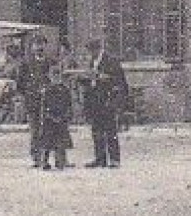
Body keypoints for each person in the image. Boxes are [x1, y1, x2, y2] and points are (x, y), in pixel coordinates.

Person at [80, 40, 129, 168]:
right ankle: (100, 158)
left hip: (107, 100)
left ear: (97, 50)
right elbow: (93, 82)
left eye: (91, 52)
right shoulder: (93, 62)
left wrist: (103, 78)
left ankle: (114, 159)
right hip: (95, 101)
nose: (90, 55)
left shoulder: (111, 61)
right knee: (96, 131)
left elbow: (119, 81)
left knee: (110, 131)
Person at [38, 64, 74, 170]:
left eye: (58, 75)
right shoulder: (47, 90)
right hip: (49, 120)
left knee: (60, 142)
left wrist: (66, 116)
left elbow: (68, 104)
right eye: (54, 75)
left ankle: (60, 161)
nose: (56, 78)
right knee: (47, 143)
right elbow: (44, 107)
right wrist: (49, 116)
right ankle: (44, 161)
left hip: (61, 119)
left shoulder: (65, 90)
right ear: (50, 77)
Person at [20, 39, 49, 166]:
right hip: (32, 102)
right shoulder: (27, 64)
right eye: (37, 44)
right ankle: (36, 157)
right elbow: (21, 83)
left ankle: (45, 157)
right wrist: (27, 94)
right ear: (32, 47)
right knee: (35, 130)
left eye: (41, 44)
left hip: (48, 102)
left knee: (46, 129)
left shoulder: (50, 63)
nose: (39, 47)